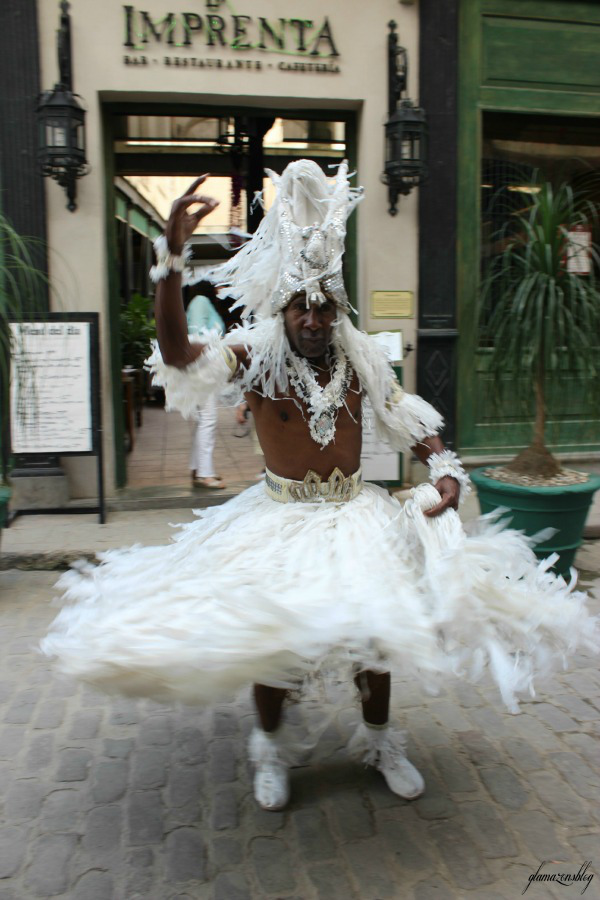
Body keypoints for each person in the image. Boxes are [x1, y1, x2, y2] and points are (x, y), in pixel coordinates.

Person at [42, 161, 599, 812]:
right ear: (283, 306)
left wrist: (445, 468)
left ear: (338, 307)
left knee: (377, 636)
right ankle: (271, 751)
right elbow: (176, 356)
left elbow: (404, 417)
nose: (312, 318)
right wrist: (168, 259)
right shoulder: (253, 353)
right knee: (273, 642)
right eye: (301, 305)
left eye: (324, 305)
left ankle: (381, 742)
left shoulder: (359, 354)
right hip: (278, 521)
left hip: (355, 514)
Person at [184, 280, 226, 489]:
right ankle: (205, 474)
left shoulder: (196, 303)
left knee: (203, 420)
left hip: (202, 369)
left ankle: (198, 469)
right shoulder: (201, 302)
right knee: (208, 419)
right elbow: (197, 334)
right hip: (203, 369)